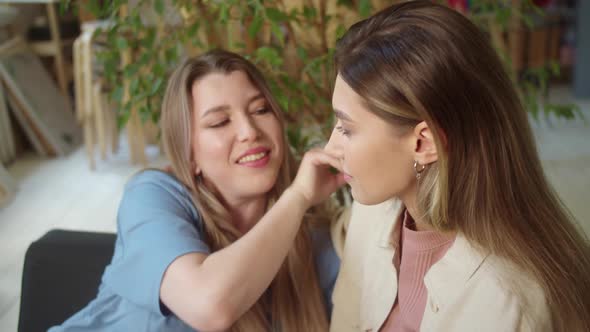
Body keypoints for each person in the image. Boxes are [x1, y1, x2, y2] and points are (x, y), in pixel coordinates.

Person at [326, 1, 590, 331]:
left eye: (347, 129)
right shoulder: (373, 213)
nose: (329, 148)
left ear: (425, 143)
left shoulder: (507, 307)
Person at [49, 50, 344, 332]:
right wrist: (298, 196)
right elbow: (210, 305)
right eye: (219, 122)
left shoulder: (314, 238)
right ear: (188, 155)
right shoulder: (152, 196)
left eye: (260, 109)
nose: (249, 130)